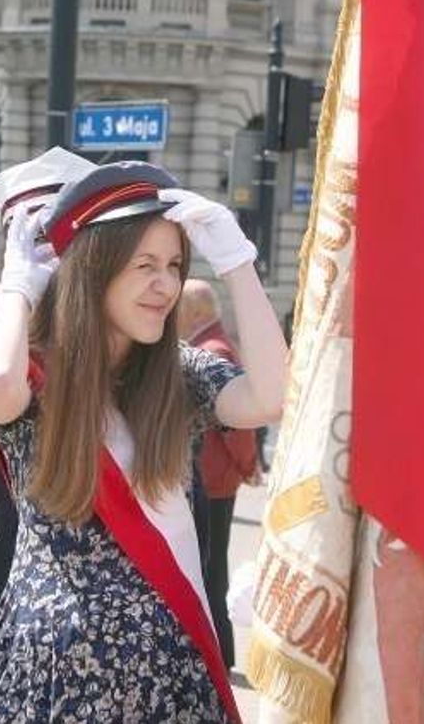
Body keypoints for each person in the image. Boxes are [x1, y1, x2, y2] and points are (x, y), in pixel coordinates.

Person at [0, 161, 287, 722]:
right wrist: (19, 284)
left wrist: (237, 261)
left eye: (174, 266)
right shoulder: (34, 374)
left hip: (167, 678)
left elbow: (272, 396)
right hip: (54, 678)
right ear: (96, 271)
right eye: (145, 266)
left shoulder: (177, 373)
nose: (166, 286)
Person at [0, 146, 95, 645]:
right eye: (29, 243)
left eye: (58, 240)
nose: (47, 260)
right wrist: (16, 295)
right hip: (15, 601)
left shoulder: (135, 353)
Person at [178, 278, 260, 671]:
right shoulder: (212, 344)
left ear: (195, 312)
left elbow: (238, 428)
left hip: (213, 480)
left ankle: (220, 653)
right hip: (214, 477)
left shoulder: (213, 350)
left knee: (210, 568)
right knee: (211, 566)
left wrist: (247, 465)